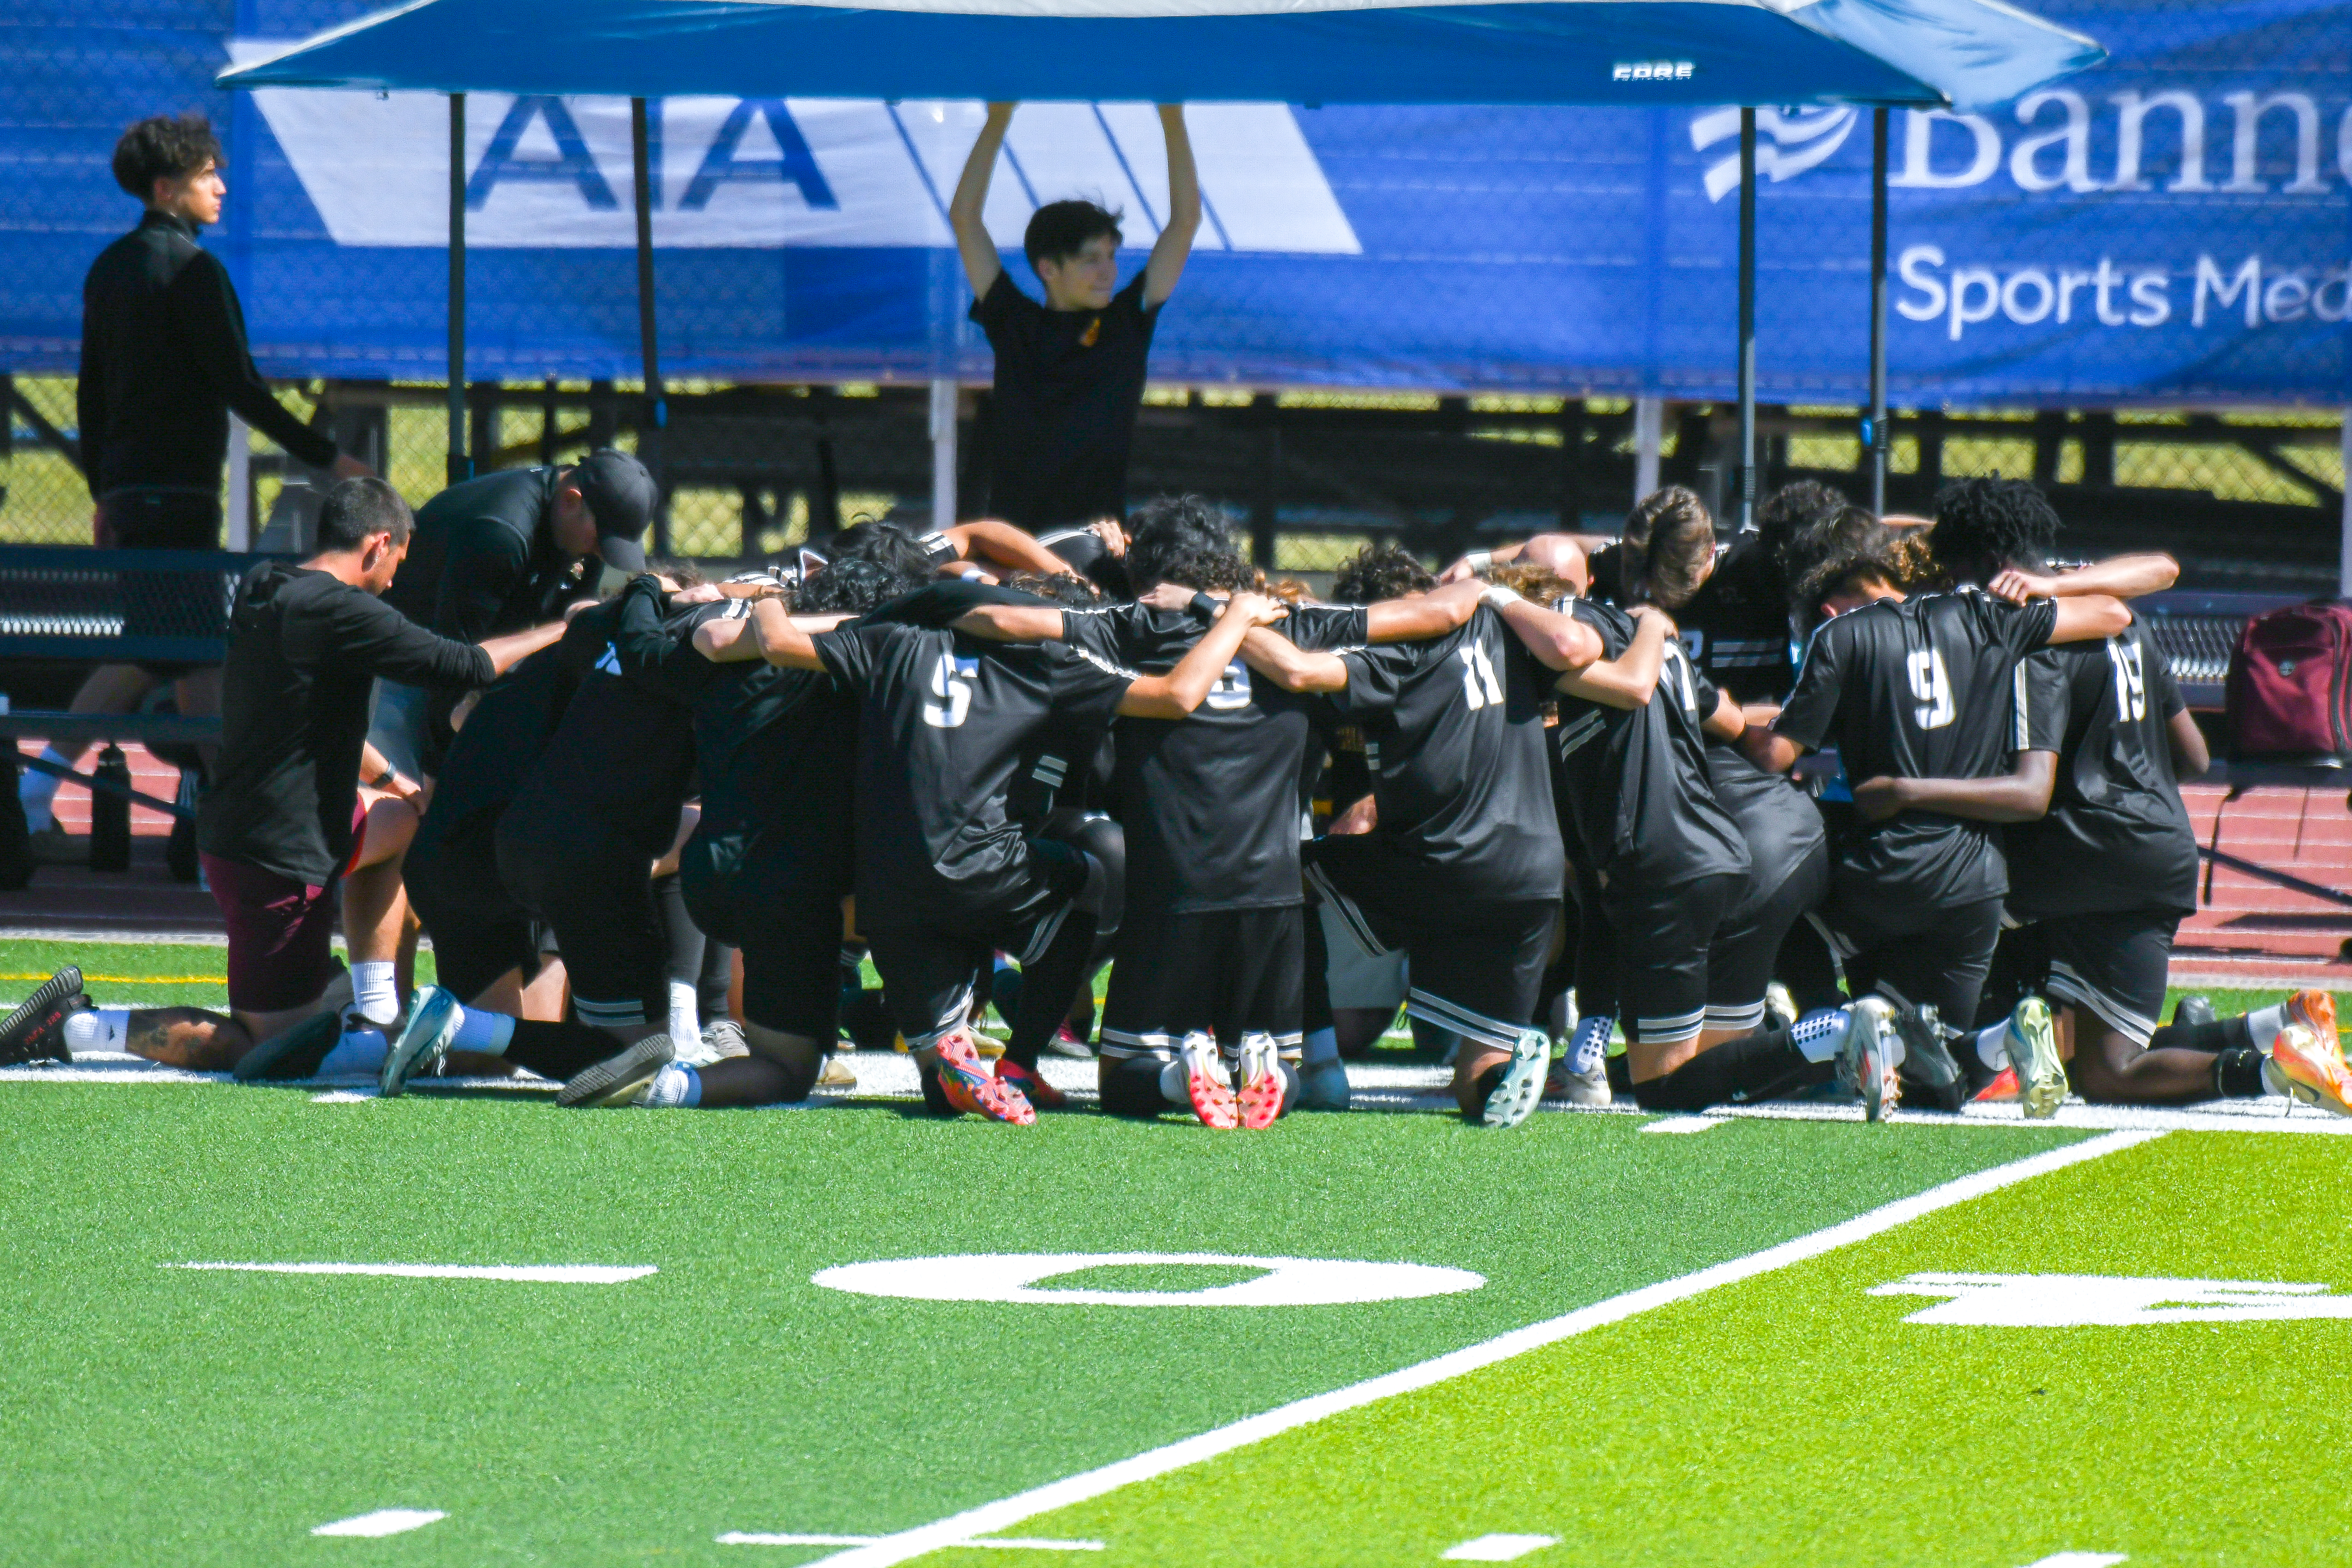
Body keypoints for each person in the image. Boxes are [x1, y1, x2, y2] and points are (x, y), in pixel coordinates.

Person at [6, 480, 557, 1073]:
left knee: (402, 821)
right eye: (396, 562)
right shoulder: (346, 611)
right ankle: (79, 1027)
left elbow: (314, 716)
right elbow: (466, 664)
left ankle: (375, 1009)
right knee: (262, 1049)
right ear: (377, 545)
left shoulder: (265, 584)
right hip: (274, 858)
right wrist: (564, 629)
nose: (394, 581)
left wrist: (392, 781)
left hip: (274, 824)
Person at [1867, 481, 2352, 1117]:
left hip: (2082, 856)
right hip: (2159, 846)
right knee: (2105, 1061)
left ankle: (1967, 1044)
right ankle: (2278, 1030)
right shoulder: (2114, 608)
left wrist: (1905, 790)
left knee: (1948, 898)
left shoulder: (2033, 633)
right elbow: (2192, 756)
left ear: (1982, 565)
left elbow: (2030, 792)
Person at [729, 575, 1280, 1124]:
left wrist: (767, 600)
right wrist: (1234, 617)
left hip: (888, 890)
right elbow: (1177, 695)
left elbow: (777, 643)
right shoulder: (1051, 660)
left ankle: (951, 1058)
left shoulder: (894, 640)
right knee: (1087, 876)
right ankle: (1018, 1065)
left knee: (939, 1089)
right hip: (985, 871)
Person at [25, 113, 372, 857]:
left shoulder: (109, 267)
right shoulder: (194, 271)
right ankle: (222, 809)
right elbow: (239, 384)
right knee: (183, 646)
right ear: (165, 188)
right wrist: (330, 459)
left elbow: (89, 392)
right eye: (207, 174)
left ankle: (198, 802)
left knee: (167, 645)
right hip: (177, 494)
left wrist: (104, 490)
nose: (221, 187)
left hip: (132, 491)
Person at [1731, 526, 2132, 1115]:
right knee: (1939, 1074)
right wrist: (2044, 586)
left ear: (1831, 607)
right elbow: (2111, 613)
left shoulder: (1839, 635)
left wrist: (1718, 715)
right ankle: (1999, 1039)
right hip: (1972, 882)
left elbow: (1776, 755)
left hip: (1876, 873)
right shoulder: (1987, 615)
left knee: (1776, 900)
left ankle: (1829, 1018)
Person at [1242, 550, 1599, 1128]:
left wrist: (1225, 622)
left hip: (1444, 862)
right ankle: (1500, 1073)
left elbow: (1299, 671)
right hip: (1535, 871)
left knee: (1279, 876)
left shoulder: (1396, 649)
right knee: (1474, 1089)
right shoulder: (1504, 629)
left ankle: (1316, 1060)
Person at [950, 102, 1200, 532]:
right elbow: (964, 218)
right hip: (1016, 546)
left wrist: (1172, 116)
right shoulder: (1015, 324)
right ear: (1049, 269)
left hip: (1099, 547)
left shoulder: (1126, 324)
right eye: (1090, 260)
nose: (1108, 272)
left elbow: (1185, 222)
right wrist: (998, 118)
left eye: (1110, 256)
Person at [374, 450, 657, 783]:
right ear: (571, 501)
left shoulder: (573, 530)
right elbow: (453, 667)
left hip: (471, 653)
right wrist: (440, 777)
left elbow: (566, 640)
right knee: (401, 797)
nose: (601, 554)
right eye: (600, 541)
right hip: (405, 659)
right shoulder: (503, 531)